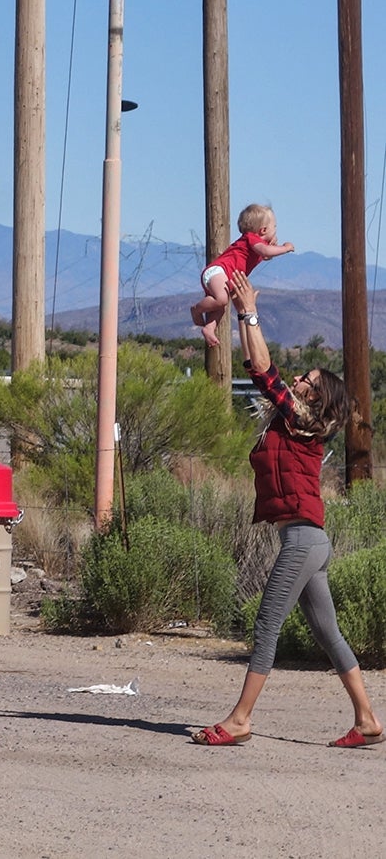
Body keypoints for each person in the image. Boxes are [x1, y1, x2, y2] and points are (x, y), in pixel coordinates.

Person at [191, 269, 382, 748]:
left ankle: (239, 719)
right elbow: (262, 371)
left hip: (302, 540)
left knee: (266, 622)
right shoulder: (290, 420)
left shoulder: (306, 422)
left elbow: (264, 371)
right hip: (307, 541)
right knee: (327, 633)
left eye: (308, 380)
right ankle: (367, 720)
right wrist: (240, 314)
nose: (298, 380)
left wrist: (249, 312)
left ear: (317, 398)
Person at [191, 204, 294, 349]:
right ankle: (196, 309)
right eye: (274, 226)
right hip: (217, 271)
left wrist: (270, 247)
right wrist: (285, 248)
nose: (276, 230)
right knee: (221, 300)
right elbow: (266, 252)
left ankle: (209, 328)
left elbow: (265, 255)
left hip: (224, 278)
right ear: (263, 230)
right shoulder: (251, 238)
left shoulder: (258, 246)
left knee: (220, 308)